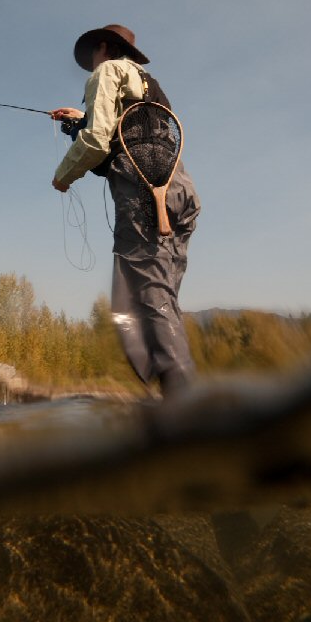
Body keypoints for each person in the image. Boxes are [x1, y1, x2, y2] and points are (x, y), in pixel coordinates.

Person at [51, 24, 201, 399]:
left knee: (147, 296)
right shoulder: (148, 82)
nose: (90, 65)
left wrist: (63, 176)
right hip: (180, 191)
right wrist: (78, 121)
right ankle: (182, 399)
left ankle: (185, 408)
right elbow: (126, 130)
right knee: (163, 295)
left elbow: (98, 142)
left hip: (143, 192)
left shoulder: (106, 71)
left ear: (104, 47)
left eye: (92, 57)